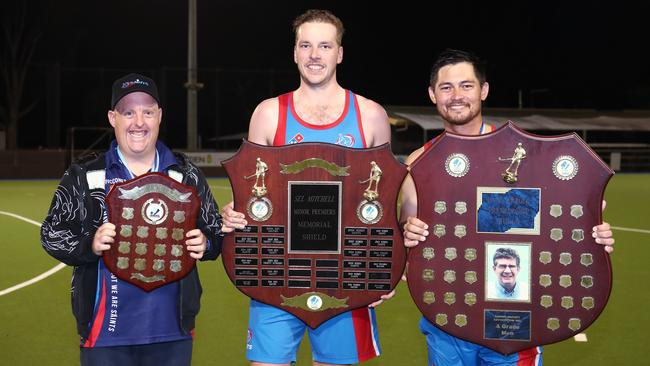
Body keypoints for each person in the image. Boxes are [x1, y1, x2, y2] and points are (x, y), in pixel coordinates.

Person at [400, 49, 616, 366]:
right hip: (448, 312)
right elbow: (408, 232)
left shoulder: (521, 154)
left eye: (466, 85)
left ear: (484, 90)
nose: (456, 96)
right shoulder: (419, 162)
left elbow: (566, 213)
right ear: (433, 94)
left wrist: (592, 234)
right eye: (446, 87)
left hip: (512, 318)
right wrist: (408, 233)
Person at [220, 9, 391, 366]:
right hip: (276, 275)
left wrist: (383, 270)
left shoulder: (370, 115)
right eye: (306, 45)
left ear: (339, 53)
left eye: (325, 45)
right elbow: (254, 199)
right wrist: (234, 214)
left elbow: (383, 204)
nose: (315, 55)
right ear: (295, 52)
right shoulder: (268, 114)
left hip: (346, 278)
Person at [41, 73, 223, 366]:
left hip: (172, 332)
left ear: (159, 116)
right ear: (113, 118)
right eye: (128, 112)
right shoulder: (85, 176)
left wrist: (207, 242)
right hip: (105, 334)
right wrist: (90, 244)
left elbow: (217, 233)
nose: (139, 122)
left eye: (147, 112)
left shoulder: (185, 175)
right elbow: (51, 233)